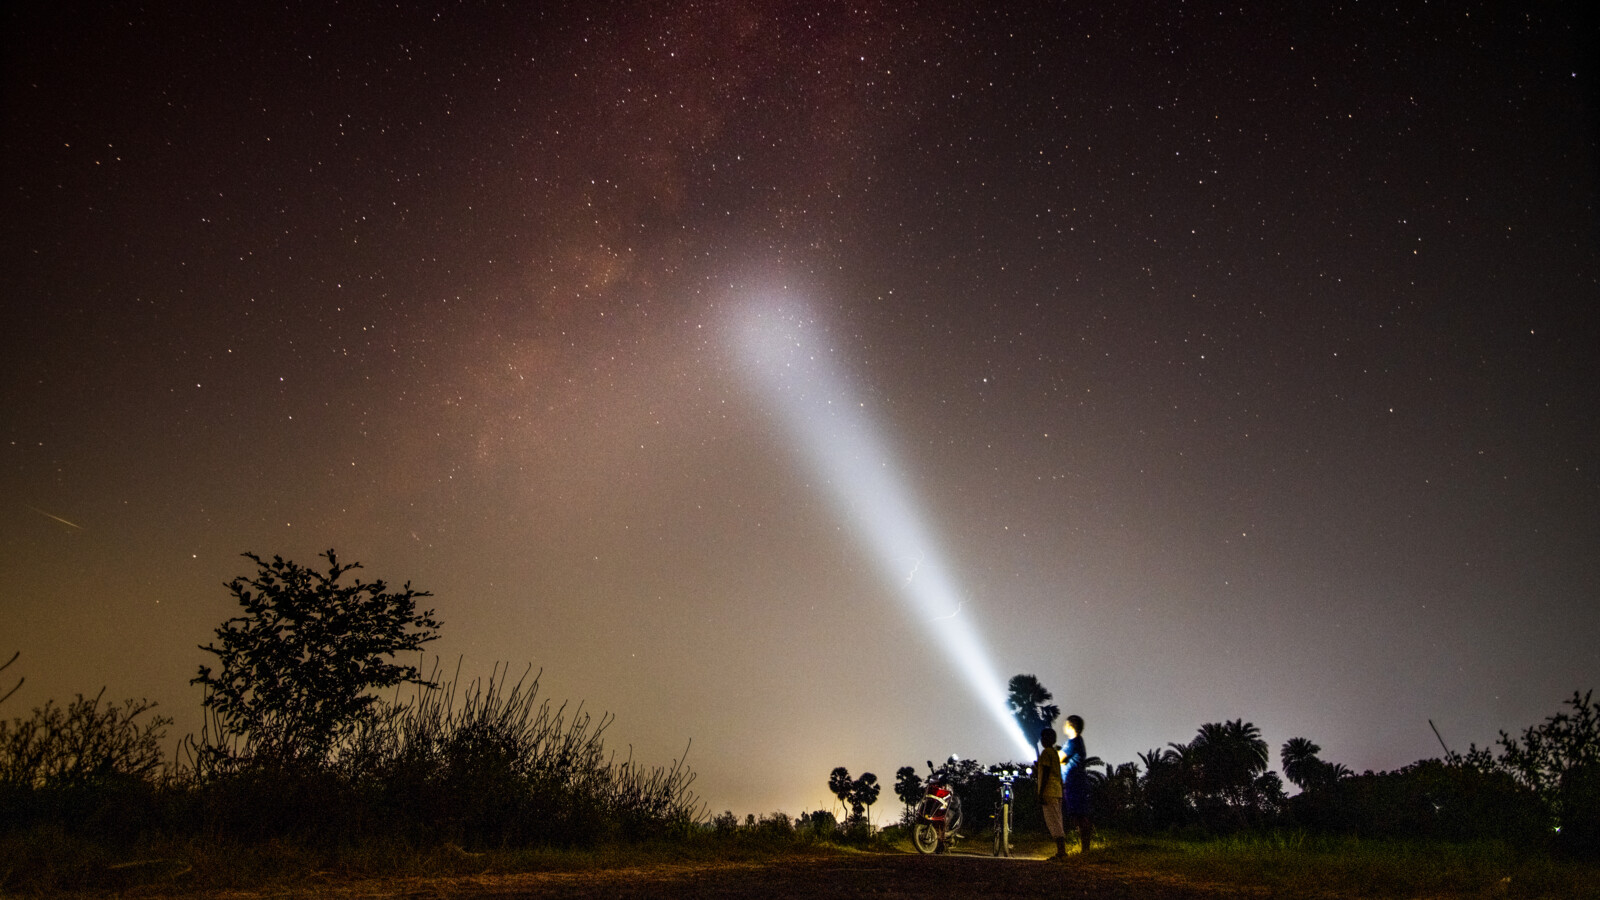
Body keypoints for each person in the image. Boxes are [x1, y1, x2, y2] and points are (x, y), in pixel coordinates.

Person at [1034, 726, 1067, 859]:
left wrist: (1041, 793)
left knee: (1053, 822)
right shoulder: (1053, 753)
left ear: (1047, 739)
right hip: (1057, 791)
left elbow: (1046, 773)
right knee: (1058, 820)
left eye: (1043, 737)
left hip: (1049, 791)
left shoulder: (1046, 753)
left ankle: (1061, 852)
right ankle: (1061, 851)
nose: (1041, 740)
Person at [1062, 714, 1093, 854]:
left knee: (1080, 815)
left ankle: (1085, 849)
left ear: (1070, 726)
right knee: (1079, 815)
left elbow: (1060, 757)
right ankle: (1084, 848)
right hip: (1076, 782)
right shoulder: (1077, 742)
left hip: (1075, 783)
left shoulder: (1073, 742)